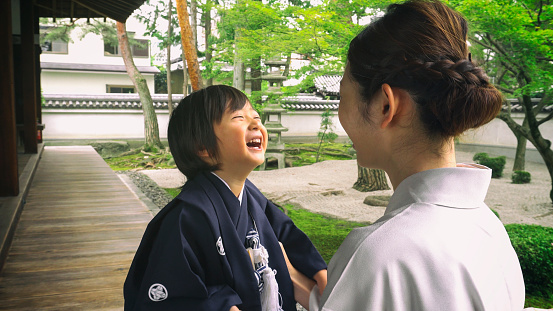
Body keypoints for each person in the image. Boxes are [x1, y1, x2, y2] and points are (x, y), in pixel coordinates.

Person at [303, 0, 525, 310]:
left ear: (385, 106)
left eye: (342, 96)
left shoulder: (379, 253)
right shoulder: (489, 227)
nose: (339, 111)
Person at [123, 85, 327, 311]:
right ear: (203, 148)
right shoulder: (187, 215)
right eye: (239, 117)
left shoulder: (251, 196)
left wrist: (318, 270)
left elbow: (287, 234)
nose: (256, 123)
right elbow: (175, 294)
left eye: (256, 117)